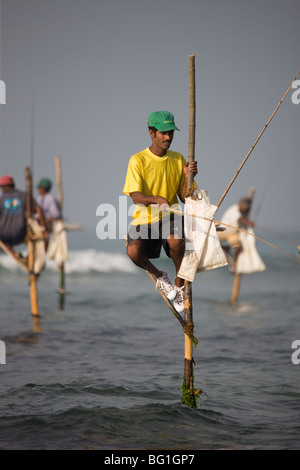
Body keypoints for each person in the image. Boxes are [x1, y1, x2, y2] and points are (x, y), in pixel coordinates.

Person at [123, 111, 198, 313]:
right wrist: (156, 199)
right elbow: (135, 196)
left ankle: (180, 284)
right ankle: (160, 275)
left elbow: (184, 197)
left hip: (171, 216)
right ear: (151, 133)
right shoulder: (137, 160)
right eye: (163, 133)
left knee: (175, 239)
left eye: (171, 133)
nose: (168, 137)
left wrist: (189, 178)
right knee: (132, 251)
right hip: (144, 220)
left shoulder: (178, 159)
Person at [0, 175, 45, 261]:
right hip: (21, 234)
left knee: (6, 243)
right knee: (37, 239)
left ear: (4, 187)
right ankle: (28, 258)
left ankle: (14, 254)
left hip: (3, 236)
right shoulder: (24, 196)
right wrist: (43, 228)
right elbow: (38, 210)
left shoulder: (1, 199)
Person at [218, 196, 255, 272]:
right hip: (222, 231)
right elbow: (240, 219)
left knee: (238, 246)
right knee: (212, 241)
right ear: (240, 205)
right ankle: (225, 248)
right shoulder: (235, 210)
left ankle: (235, 265)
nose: (246, 209)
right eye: (245, 207)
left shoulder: (243, 213)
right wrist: (249, 222)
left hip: (232, 234)